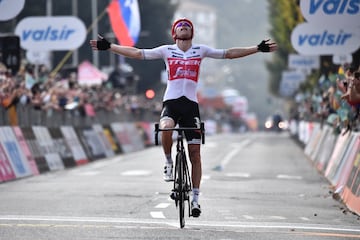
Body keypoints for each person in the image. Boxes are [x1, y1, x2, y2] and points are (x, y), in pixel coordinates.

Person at [90, 18, 277, 217]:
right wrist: (109, 47)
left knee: (195, 154)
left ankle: (195, 199)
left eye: (188, 26)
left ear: (192, 33)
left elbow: (229, 53)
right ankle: (169, 162)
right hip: (171, 103)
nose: (184, 27)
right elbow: (137, 53)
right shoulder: (166, 50)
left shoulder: (201, 50)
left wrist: (257, 48)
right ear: (174, 33)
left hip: (190, 106)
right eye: (180, 26)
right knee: (166, 126)